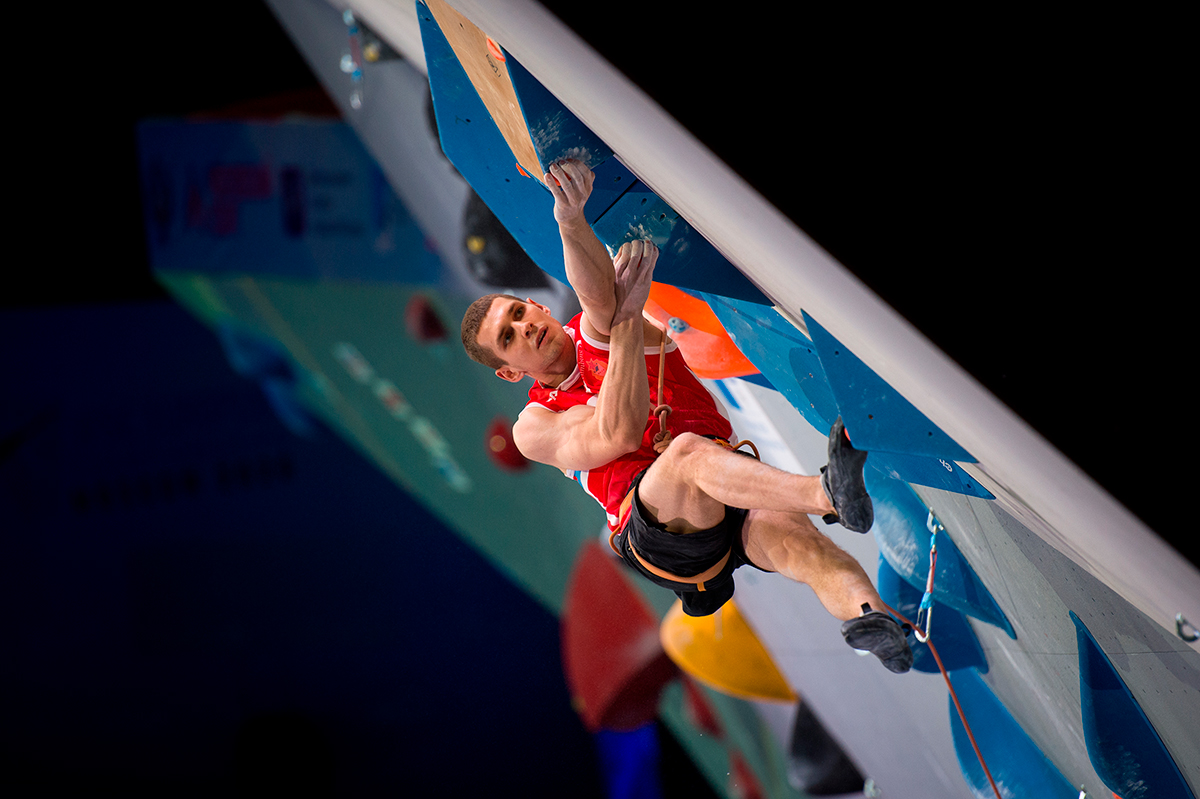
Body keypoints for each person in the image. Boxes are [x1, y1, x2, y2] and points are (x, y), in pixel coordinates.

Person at [459, 160, 912, 673]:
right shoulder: (532, 427)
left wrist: (571, 221)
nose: (524, 328)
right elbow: (617, 430)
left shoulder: (602, 324)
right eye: (507, 339)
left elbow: (597, 300)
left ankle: (875, 624)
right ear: (509, 373)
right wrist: (630, 320)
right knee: (685, 455)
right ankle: (827, 494)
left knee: (800, 545)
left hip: (723, 489)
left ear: (534, 306)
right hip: (659, 538)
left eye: (519, 313)